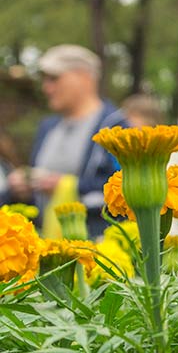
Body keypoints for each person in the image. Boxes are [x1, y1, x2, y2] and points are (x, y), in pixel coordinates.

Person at [7, 44, 128, 238]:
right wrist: (23, 190)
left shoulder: (115, 127)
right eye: (45, 80)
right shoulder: (47, 127)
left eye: (54, 78)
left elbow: (124, 188)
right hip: (48, 245)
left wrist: (70, 186)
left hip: (98, 250)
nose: (46, 88)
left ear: (84, 78)